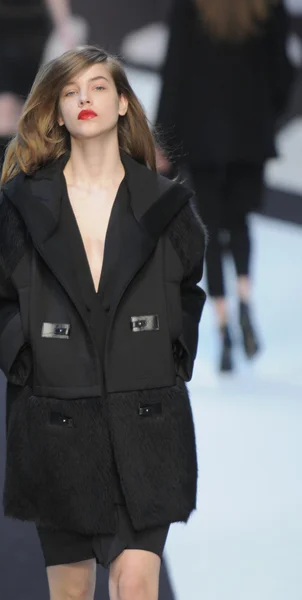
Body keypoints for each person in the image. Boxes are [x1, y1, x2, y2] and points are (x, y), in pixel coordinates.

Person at [0, 45, 206, 600]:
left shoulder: (165, 205)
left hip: (148, 422)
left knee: (136, 585)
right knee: (71, 593)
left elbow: (187, 283)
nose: (84, 99)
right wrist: (24, 355)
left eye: (97, 88)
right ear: (57, 111)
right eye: (70, 92)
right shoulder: (24, 205)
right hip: (58, 425)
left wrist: (173, 351)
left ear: (123, 103)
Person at [156, 0, 295, 372]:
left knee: (211, 228)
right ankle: (245, 299)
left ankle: (223, 328)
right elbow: (283, 70)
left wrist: (165, 140)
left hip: (201, 131)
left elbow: (175, 70)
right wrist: (268, 110)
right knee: (240, 222)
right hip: (250, 127)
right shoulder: (268, 6)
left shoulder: (190, 7)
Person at [0, 0, 75, 175]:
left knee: (26, 105)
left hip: (33, 23)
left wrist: (64, 26)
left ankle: (22, 178)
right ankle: (5, 179)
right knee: (3, 102)